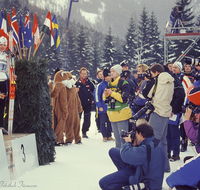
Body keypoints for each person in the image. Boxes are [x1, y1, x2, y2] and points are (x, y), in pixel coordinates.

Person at [99, 123, 165, 190]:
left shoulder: (146, 149)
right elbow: (141, 155)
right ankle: (123, 177)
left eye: (136, 134)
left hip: (142, 178)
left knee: (103, 183)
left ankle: (126, 185)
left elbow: (125, 155)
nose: (135, 136)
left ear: (141, 134)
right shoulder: (154, 142)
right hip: (141, 168)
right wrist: (135, 144)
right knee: (113, 151)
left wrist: (128, 142)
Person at [142, 63, 174, 172]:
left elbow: (145, 94)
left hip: (157, 112)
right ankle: (165, 166)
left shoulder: (156, 80)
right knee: (163, 142)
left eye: (151, 74)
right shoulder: (170, 80)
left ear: (157, 72)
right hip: (166, 112)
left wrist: (148, 81)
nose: (151, 76)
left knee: (154, 141)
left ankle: (155, 167)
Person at [103, 64, 132, 148]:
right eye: (111, 71)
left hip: (122, 115)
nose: (111, 73)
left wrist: (112, 93)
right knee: (117, 140)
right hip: (113, 115)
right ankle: (118, 157)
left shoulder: (124, 83)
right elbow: (105, 99)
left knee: (123, 140)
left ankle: (125, 157)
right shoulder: (110, 84)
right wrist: (105, 95)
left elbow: (124, 99)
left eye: (113, 71)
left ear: (119, 72)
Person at [172, 61, 192, 152]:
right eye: (173, 67)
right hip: (177, 105)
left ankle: (184, 143)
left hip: (184, 105)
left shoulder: (184, 78)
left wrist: (184, 104)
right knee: (178, 125)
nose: (173, 69)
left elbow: (188, 92)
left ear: (180, 69)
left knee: (184, 124)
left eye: (176, 67)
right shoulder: (173, 78)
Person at [0, 36, 17, 135]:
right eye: (0, 45)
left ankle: (1, 126)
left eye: (4, 45)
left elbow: (8, 71)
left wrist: (12, 75)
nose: (2, 47)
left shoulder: (7, 57)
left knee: (1, 105)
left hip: (3, 82)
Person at [95, 69, 114, 142]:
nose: (110, 77)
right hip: (103, 107)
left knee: (110, 122)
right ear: (105, 77)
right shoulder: (100, 85)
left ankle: (109, 135)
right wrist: (99, 106)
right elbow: (97, 96)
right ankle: (104, 136)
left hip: (110, 107)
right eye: (108, 76)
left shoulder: (112, 84)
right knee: (103, 122)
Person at [76, 67, 95, 138]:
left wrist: (93, 99)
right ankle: (76, 132)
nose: (84, 75)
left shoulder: (90, 83)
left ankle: (84, 132)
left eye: (85, 73)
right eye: (82, 73)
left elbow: (94, 92)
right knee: (78, 118)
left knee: (87, 119)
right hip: (79, 104)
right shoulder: (76, 83)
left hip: (88, 103)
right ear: (80, 74)